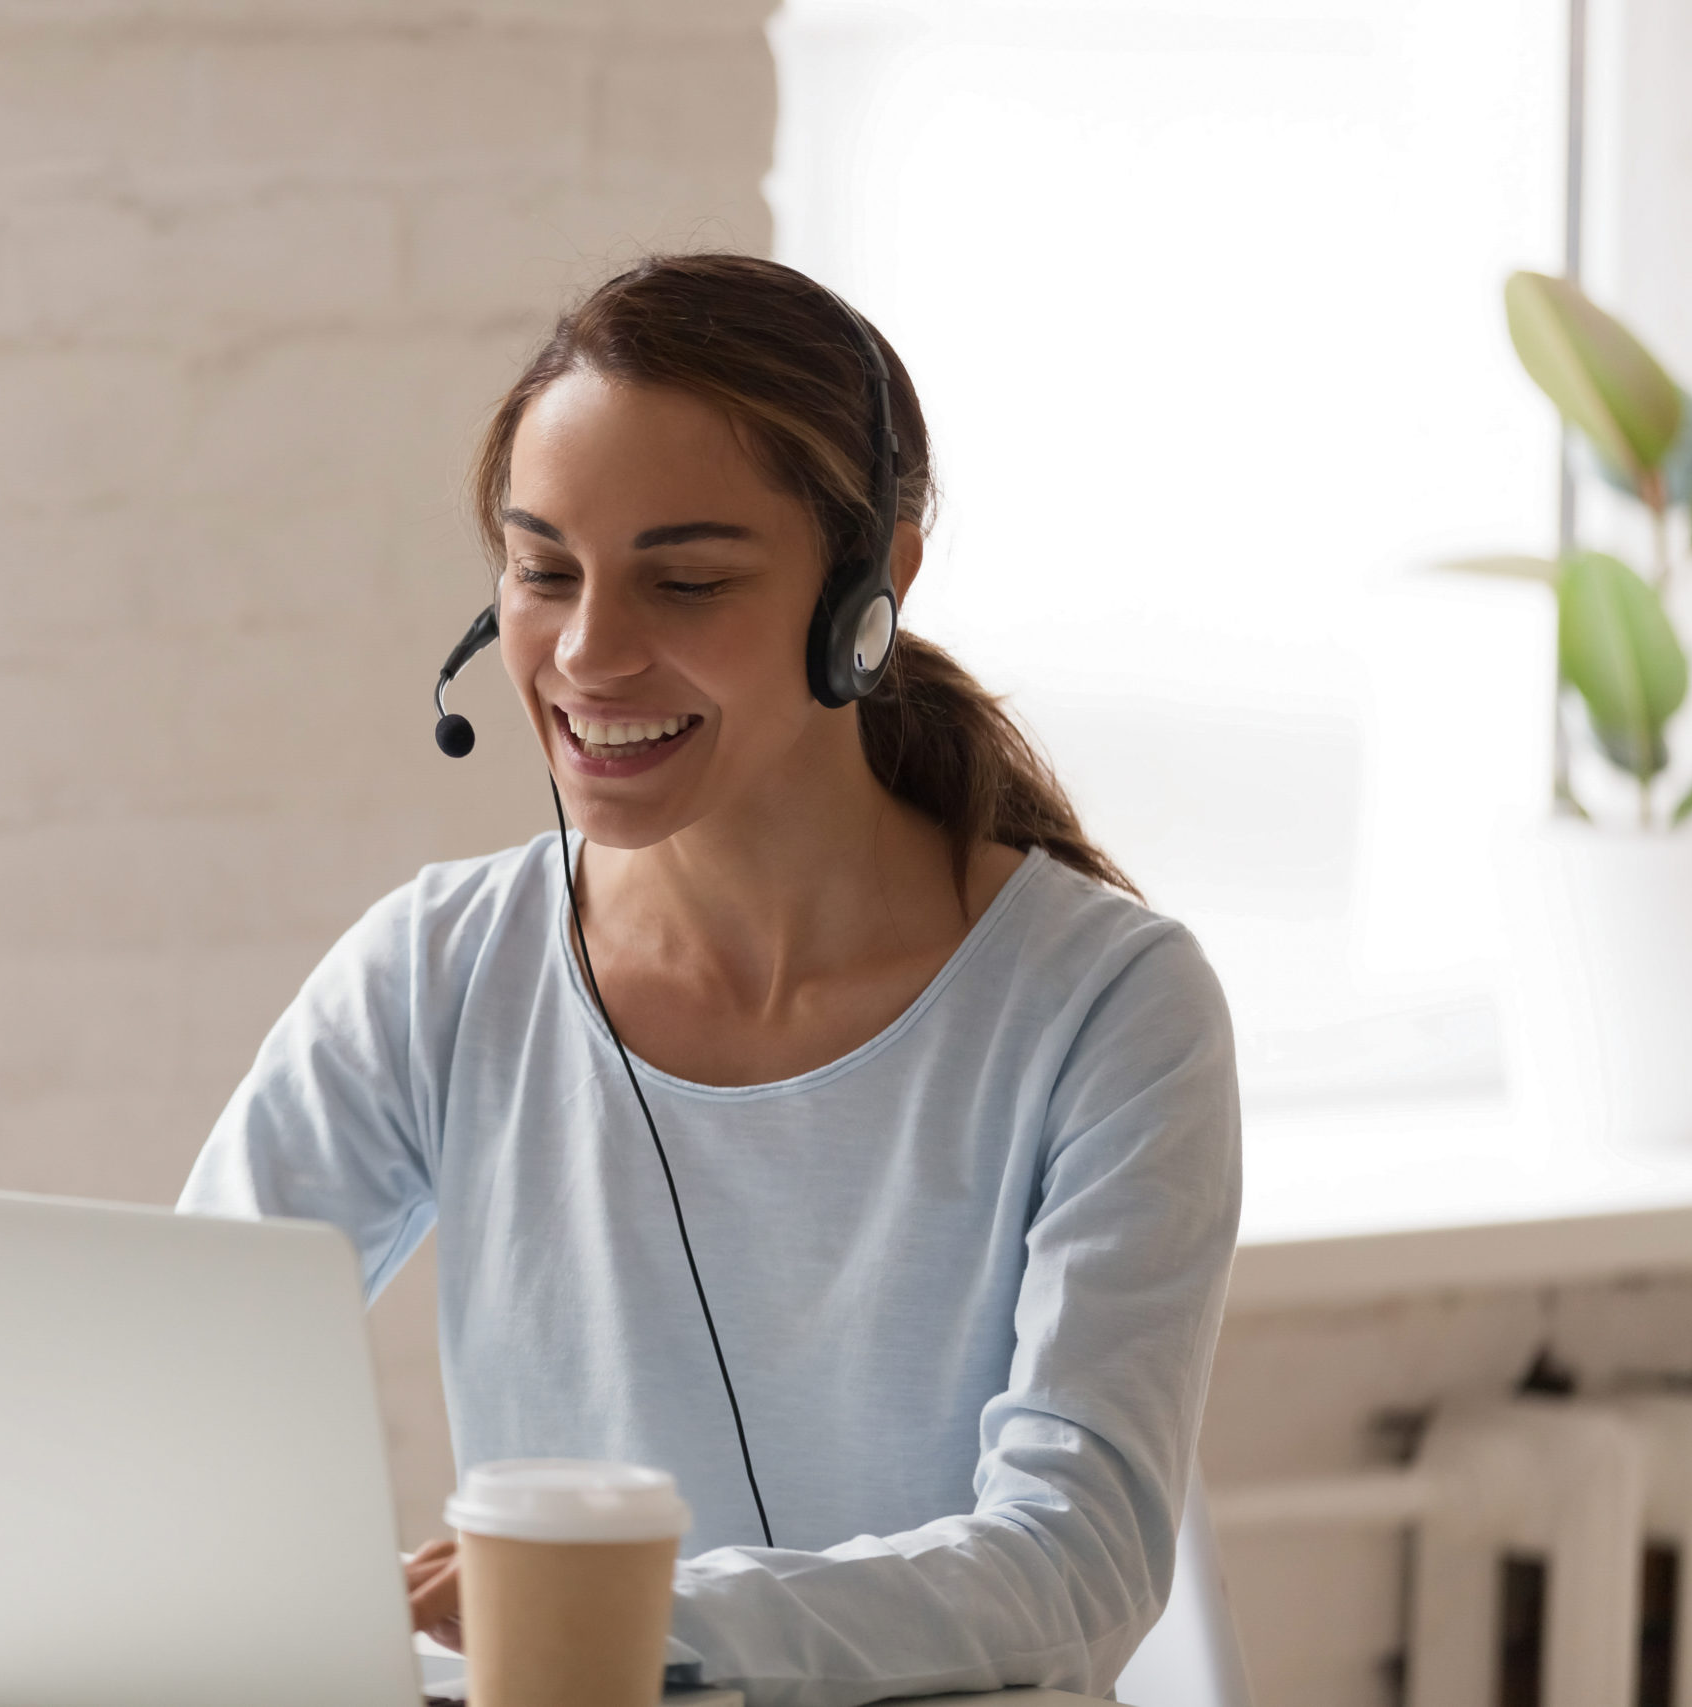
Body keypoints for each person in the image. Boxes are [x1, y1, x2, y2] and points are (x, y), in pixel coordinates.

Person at [176, 253, 1240, 1706]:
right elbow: (172, 1384)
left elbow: (1078, 1563)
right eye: (544, 572)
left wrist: (618, 1607)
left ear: (874, 590)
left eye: (685, 581)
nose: (589, 653)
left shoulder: (1110, 1012)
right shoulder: (436, 973)